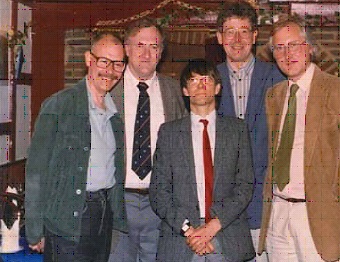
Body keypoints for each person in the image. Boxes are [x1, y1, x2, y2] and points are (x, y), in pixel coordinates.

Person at [258, 15, 340, 261]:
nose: (287, 54)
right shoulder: (274, 96)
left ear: (310, 48)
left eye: (294, 44)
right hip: (278, 214)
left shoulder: (339, 90)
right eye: (279, 48)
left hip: (321, 219)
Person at [25, 32, 127, 261]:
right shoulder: (59, 105)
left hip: (103, 217)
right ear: (88, 59)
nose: (110, 71)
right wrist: (34, 229)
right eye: (104, 61)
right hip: (67, 219)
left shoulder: (115, 115)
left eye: (118, 64)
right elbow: (36, 172)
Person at [150, 59, 255, 261]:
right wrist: (191, 232)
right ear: (185, 91)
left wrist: (213, 226)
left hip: (226, 233)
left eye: (206, 79)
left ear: (217, 88)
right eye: (193, 80)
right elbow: (158, 191)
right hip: (182, 238)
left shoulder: (237, 130)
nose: (200, 85)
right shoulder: (169, 133)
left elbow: (245, 185)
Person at [108, 18, 187, 262]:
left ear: (161, 53)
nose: (146, 53)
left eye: (153, 47)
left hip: (161, 205)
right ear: (127, 49)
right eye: (139, 45)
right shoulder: (109, 89)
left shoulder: (176, 92)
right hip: (119, 202)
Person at [215, 1, 285, 260]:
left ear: (255, 36)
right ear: (219, 37)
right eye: (230, 31)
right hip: (221, 209)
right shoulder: (206, 81)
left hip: (268, 207)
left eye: (244, 30)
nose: (237, 39)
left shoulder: (278, 78)